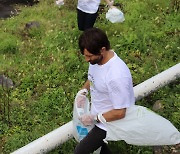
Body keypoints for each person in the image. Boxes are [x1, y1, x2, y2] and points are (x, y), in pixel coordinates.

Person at [74, 28, 135, 154]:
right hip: (97, 114)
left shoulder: (116, 76)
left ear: (102, 49)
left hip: (109, 122)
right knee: (100, 149)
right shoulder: (97, 61)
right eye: (85, 56)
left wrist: (94, 118)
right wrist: (84, 91)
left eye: (89, 56)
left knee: (80, 151)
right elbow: (93, 77)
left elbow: (120, 112)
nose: (87, 60)